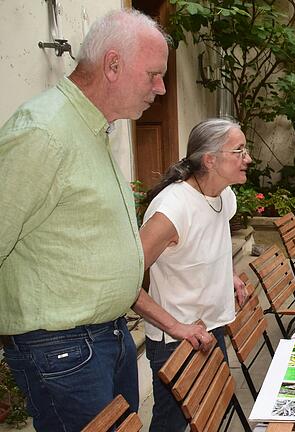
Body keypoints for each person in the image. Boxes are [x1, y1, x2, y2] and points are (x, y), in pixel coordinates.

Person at [0, 9, 209, 431]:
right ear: (112, 65)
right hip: (63, 348)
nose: (161, 88)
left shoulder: (93, 128)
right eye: (153, 74)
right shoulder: (43, 132)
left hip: (102, 339)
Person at [133, 118, 251, 431]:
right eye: (238, 151)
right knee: (171, 424)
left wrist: (229, 276)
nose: (248, 158)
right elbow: (124, 280)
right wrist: (176, 327)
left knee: (212, 411)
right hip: (176, 340)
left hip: (212, 326)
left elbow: (214, 241)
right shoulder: (172, 210)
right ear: (209, 159)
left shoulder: (224, 195)